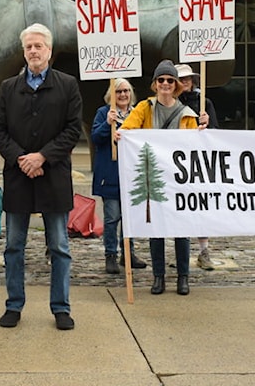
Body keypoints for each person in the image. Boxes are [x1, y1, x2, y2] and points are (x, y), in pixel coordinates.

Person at [0, 23, 82, 331]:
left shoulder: (67, 84)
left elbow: (72, 129)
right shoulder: (8, 87)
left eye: (39, 46)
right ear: (24, 51)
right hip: (18, 177)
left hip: (53, 176)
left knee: (58, 246)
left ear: (49, 50)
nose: (33, 51)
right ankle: (13, 305)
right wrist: (21, 158)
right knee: (14, 245)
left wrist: (43, 156)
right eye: (29, 46)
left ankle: (61, 307)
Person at [119, 60, 207, 297]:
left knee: (182, 230)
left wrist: (202, 132)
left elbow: (193, 147)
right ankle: (158, 276)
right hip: (153, 177)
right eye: (161, 80)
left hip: (178, 181)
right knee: (155, 229)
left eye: (170, 80)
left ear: (176, 85)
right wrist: (122, 133)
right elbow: (129, 128)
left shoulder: (188, 115)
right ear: (155, 84)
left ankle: (183, 277)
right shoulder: (144, 108)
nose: (165, 84)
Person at [90, 78, 146, 274]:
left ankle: (128, 254)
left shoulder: (137, 114)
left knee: (130, 218)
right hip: (110, 173)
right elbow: (95, 138)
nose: (123, 95)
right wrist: (107, 125)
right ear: (111, 95)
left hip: (132, 174)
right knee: (112, 217)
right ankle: (110, 255)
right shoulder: (104, 113)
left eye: (126, 91)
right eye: (119, 92)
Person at [176, 63, 219, 271]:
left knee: (200, 207)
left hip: (198, 163)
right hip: (175, 163)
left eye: (187, 78)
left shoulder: (205, 103)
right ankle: (180, 252)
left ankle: (204, 251)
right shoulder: (170, 102)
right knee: (178, 208)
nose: (184, 81)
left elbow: (216, 132)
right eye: (180, 78)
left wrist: (207, 123)